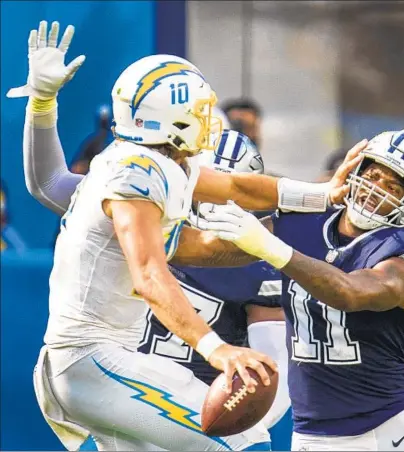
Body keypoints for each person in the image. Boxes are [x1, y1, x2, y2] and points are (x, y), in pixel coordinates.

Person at [10, 21, 360, 451]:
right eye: (199, 110)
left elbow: (235, 195)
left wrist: (323, 196)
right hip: (93, 358)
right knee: (244, 442)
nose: (208, 120)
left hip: (103, 359)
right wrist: (218, 350)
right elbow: (150, 277)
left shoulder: (153, 165)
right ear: (169, 118)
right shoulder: (135, 175)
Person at [199, 129, 404, 450]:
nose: (377, 191)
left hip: (385, 429)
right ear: (354, 170)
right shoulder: (304, 222)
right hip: (311, 434)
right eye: (373, 176)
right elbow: (207, 248)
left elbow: (351, 292)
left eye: (393, 187)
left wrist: (273, 248)